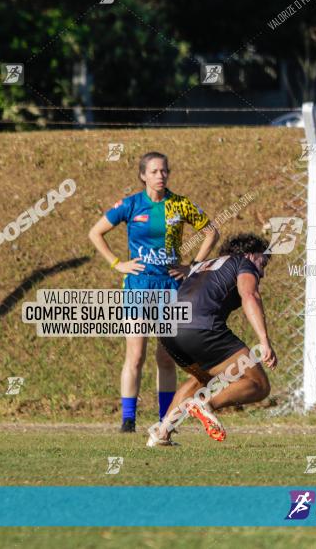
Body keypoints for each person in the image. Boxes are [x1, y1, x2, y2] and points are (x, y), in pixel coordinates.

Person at [88, 151, 219, 432]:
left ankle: (165, 418)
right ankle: (128, 420)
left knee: (166, 357)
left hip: (171, 286)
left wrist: (192, 267)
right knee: (135, 355)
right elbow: (95, 233)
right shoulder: (131, 204)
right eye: (155, 171)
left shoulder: (179, 204)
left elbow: (211, 232)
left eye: (164, 171)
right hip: (139, 285)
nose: (161, 176)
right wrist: (117, 263)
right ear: (143, 175)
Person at [148, 233, 277, 447]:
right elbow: (250, 296)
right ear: (250, 254)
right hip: (201, 329)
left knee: (202, 378)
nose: (262, 272)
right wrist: (264, 341)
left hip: (169, 331)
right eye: (262, 262)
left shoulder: (203, 265)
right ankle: (204, 403)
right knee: (258, 383)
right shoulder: (243, 262)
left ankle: (162, 433)